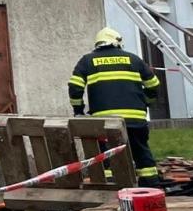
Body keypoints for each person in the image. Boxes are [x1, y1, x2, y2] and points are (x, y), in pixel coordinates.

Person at [69, 27, 162, 183]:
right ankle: (151, 186)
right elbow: (154, 85)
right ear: (117, 42)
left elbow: (75, 87)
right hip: (135, 120)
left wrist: (78, 111)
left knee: (106, 157)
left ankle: (109, 187)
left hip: (104, 122)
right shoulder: (134, 59)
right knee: (141, 154)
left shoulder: (87, 60)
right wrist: (147, 102)